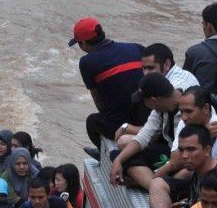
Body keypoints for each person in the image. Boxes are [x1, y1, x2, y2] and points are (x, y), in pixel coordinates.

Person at [70, 17, 146, 161]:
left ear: (84, 43)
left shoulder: (87, 62)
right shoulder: (136, 48)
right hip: (147, 119)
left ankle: (102, 154)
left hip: (120, 126)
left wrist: (109, 117)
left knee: (92, 122)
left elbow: (97, 98)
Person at [113, 43, 199, 153]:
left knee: (124, 144)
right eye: (144, 68)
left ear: (167, 65)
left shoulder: (175, 91)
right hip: (171, 140)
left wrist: (127, 129)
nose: (146, 73)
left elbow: (157, 133)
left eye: (150, 68)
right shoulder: (161, 86)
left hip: (179, 145)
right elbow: (151, 127)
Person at [111, 73, 185, 190]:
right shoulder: (160, 108)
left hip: (183, 159)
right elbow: (143, 137)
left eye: (144, 101)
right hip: (168, 152)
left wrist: (160, 172)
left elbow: (183, 155)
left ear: (153, 100)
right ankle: (156, 185)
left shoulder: (188, 110)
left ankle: (156, 187)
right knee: (118, 156)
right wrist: (118, 160)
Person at [161, 86, 217, 178]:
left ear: (206, 108)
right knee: (159, 183)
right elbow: (174, 162)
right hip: (197, 179)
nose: (183, 117)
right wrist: (204, 135)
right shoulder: (185, 123)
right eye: (181, 112)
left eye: (189, 111)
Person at [182, 2, 217, 93]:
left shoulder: (194, 52)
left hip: (200, 102)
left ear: (209, 27)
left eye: (203, 24)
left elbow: (183, 83)